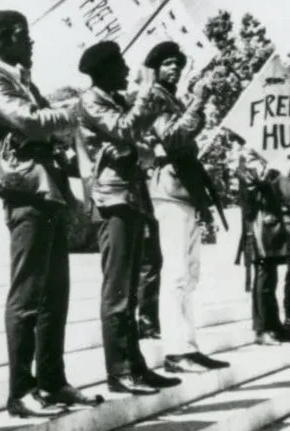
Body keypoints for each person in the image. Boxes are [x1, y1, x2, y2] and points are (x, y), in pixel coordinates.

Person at [0, 10, 105, 418]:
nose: (30, 42)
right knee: (27, 294)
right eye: (21, 35)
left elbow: (48, 128)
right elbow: (29, 121)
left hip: (47, 193)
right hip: (24, 192)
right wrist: (75, 111)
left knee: (55, 295)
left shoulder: (22, 82)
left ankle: (52, 380)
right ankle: (20, 390)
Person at [77, 40, 180, 395]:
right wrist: (147, 104)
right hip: (113, 199)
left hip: (132, 196)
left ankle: (135, 366)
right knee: (118, 288)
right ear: (103, 70)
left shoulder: (117, 101)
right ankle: (119, 370)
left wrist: (135, 146)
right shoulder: (92, 100)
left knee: (132, 288)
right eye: (120, 64)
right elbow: (124, 131)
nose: (126, 70)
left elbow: (145, 148)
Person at [144, 41, 229, 373]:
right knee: (177, 273)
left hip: (184, 191)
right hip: (168, 191)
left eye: (178, 64)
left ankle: (188, 347)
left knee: (189, 275)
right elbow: (173, 139)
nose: (175, 69)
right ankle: (176, 352)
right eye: (168, 64)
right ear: (154, 68)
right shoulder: (153, 97)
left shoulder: (170, 99)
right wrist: (198, 100)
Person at [237, 150, 290, 345]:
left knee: (270, 276)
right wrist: (274, 168)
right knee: (264, 274)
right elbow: (252, 185)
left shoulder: (275, 154)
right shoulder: (250, 157)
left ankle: (274, 325)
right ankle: (262, 328)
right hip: (262, 222)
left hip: (277, 221)